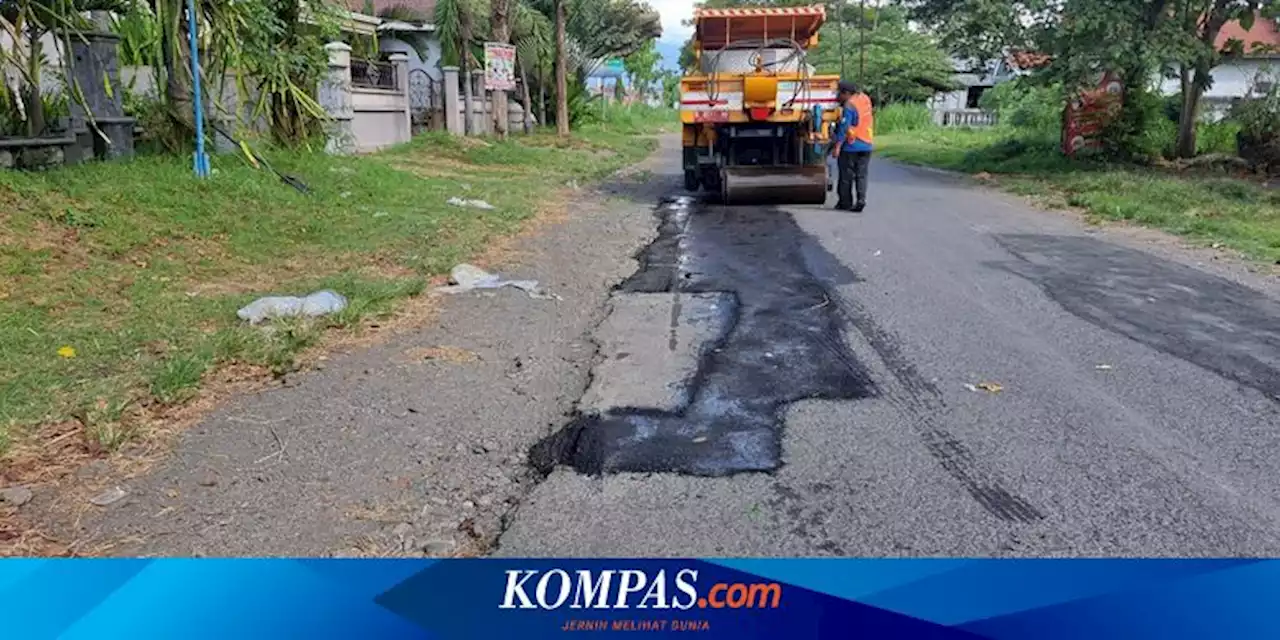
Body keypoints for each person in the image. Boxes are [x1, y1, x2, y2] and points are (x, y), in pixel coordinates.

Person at [830, 81, 874, 212]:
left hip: (851, 145)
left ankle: (845, 202)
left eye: (840, 93)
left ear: (847, 93)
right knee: (862, 175)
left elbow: (844, 127)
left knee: (846, 175)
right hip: (867, 144)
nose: (838, 96)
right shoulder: (865, 99)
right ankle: (861, 199)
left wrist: (837, 146)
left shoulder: (849, 105)